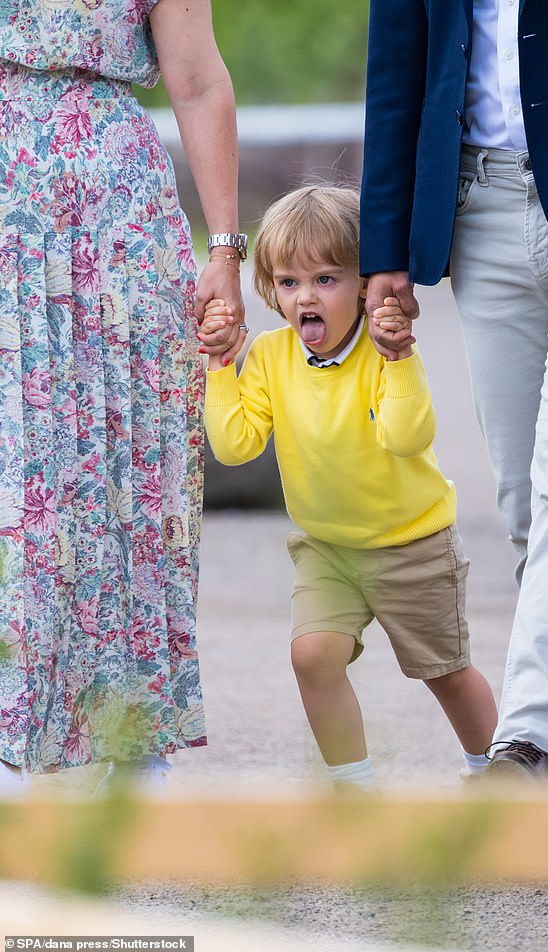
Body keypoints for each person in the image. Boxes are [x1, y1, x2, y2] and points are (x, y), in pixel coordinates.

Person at [359, 0, 548, 788]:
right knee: (530, 505)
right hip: (479, 204)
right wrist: (386, 244)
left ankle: (529, 744)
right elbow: (397, 66)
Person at [0, 0, 245, 796]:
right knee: (18, 468)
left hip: (116, 208)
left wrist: (226, 251)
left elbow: (200, 79)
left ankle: (134, 734)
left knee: (132, 459)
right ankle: (11, 730)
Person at [200, 184, 497, 794]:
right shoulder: (270, 356)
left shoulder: (384, 351)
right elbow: (235, 446)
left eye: (326, 279)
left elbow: (407, 436)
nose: (304, 296)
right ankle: (354, 791)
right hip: (328, 547)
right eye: (288, 282)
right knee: (312, 657)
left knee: (445, 672)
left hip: (411, 542)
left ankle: (495, 774)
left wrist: (399, 360)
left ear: (365, 283)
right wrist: (221, 366)